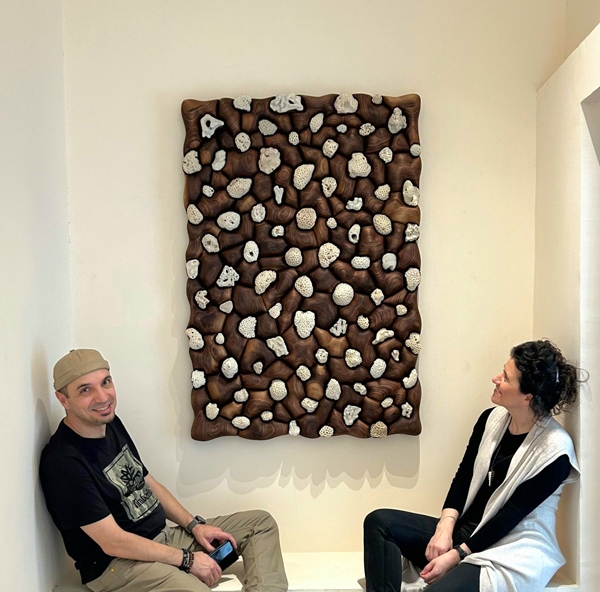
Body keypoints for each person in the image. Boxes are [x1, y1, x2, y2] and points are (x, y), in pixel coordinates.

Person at [40, 349, 288, 592]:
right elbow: (113, 542)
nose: (102, 397)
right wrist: (187, 560)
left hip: (162, 538)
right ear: (63, 399)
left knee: (260, 524)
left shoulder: (109, 422)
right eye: (85, 390)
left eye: (106, 382)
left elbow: (147, 481)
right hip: (118, 566)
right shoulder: (64, 462)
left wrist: (194, 525)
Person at [363, 339, 583, 592]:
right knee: (380, 522)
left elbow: (510, 516)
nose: (495, 379)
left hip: (510, 548)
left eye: (506, 377)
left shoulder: (555, 451)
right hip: (466, 532)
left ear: (528, 397)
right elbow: (464, 476)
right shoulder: (491, 419)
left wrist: (456, 555)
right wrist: (445, 526)